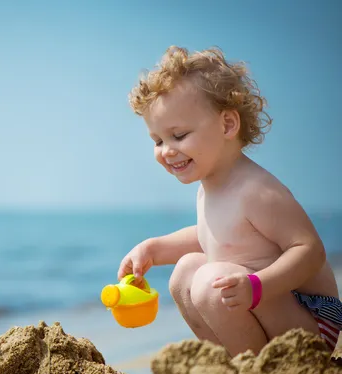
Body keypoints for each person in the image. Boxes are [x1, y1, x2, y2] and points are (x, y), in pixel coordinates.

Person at [117, 46, 341, 356]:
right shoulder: (210, 186)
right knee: (185, 272)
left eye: (179, 135)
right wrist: (153, 249)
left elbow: (310, 251)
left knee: (211, 280)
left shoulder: (257, 190)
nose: (166, 150)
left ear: (227, 125)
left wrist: (257, 286)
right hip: (268, 307)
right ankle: (236, 363)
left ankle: (258, 371)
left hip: (312, 319)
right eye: (158, 140)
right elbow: (211, 236)